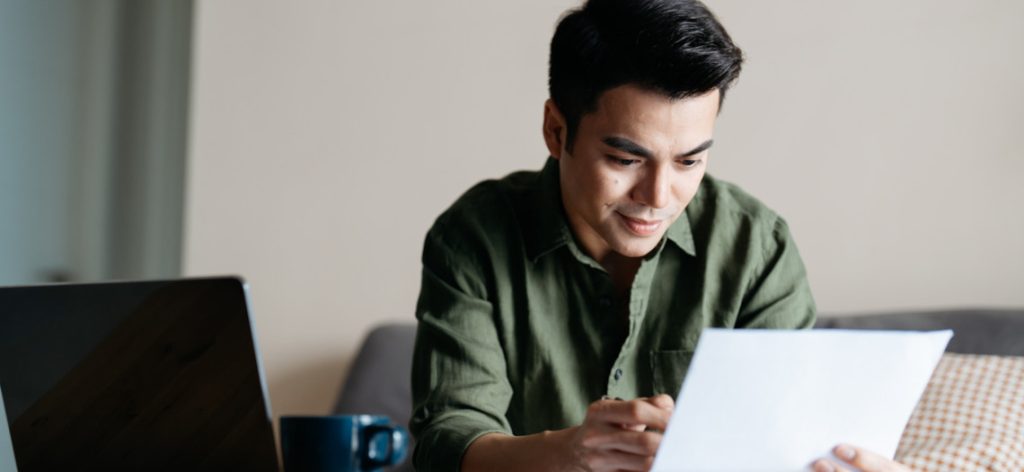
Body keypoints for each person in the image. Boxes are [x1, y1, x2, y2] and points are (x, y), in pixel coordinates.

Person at [409, 1, 911, 471]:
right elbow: (447, 437)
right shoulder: (473, 236)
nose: (658, 195)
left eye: (689, 161)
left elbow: (777, 441)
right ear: (557, 131)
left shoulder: (758, 247)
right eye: (626, 159)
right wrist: (568, 453)